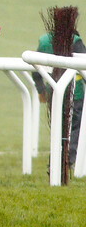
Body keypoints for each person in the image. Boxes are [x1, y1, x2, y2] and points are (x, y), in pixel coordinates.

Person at [32, 31, 85, 167]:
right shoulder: (75, 40)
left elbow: (35, 68)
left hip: (53, 91)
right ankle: (70, 160)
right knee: (74, 127)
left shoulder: (44, 41)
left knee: (57, 127)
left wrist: (41, 89)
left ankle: (55, 161)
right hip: (75, 93)